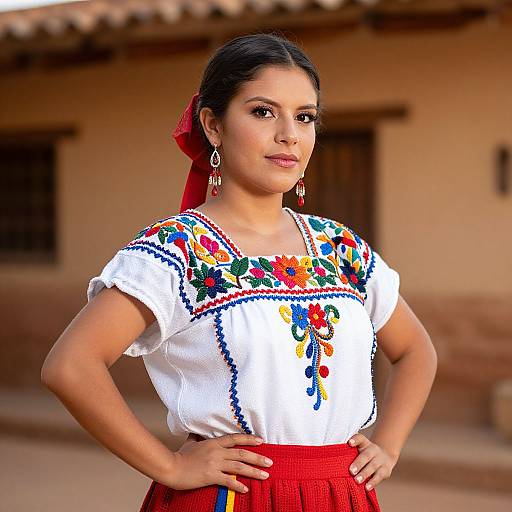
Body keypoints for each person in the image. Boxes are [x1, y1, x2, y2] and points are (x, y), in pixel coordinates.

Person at [41, 32, 437, 512]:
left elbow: (416, 350)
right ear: (213, 124)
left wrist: (388, 445)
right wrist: (170, 466)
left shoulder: (341, 248)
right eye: (263, 111)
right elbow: (70, 366)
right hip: (233, 498)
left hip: (338, 494)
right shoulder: (178, 251)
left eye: (305, 117)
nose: (289, 133)